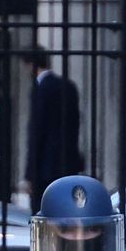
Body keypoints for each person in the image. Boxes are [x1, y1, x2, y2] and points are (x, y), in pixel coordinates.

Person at [19, 45, 84, 201]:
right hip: (68, 164)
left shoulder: (41, 89)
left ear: (30, 65)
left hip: (44, 169)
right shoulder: (69, 86)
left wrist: (29, 173)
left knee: (43, 214)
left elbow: (37, 132)